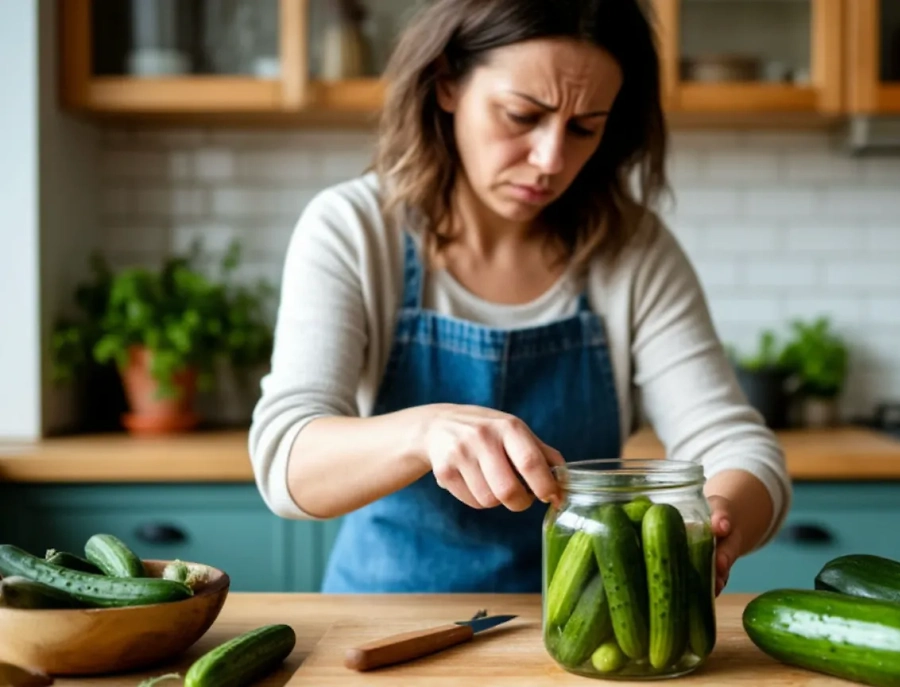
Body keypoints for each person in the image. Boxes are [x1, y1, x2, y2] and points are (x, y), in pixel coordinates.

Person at [248, 0, 790, 596]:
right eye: (521, 115)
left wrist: (720, 519)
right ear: (447, 83)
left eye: (585, 127)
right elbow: (285, 460)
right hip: (386, 621)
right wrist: (426, 432)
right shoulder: (352, 228)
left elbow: (735, 445)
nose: (551, 160)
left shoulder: (633, 251)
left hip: (578, 631)